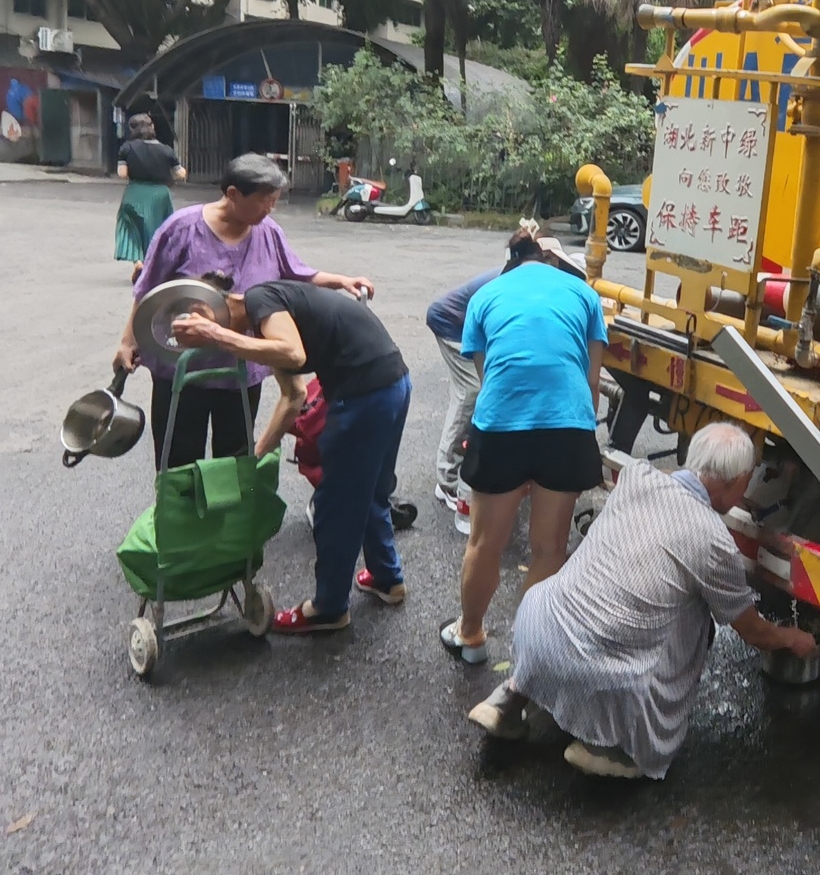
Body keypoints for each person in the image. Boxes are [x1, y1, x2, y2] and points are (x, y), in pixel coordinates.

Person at [470, 421, 818, 778]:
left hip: (536, 630)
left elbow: (678, 482)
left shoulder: (637, 476)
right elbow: (753, 630)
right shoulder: (713, 541)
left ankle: (510, 696)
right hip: (595, 667)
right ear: (735, 481)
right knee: (695, 620)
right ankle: (618, 747)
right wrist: (791, 638)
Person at [172, 279, 411, 634]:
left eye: (201, 326)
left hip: (364, 395)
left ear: (209, 308)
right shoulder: (268, 320)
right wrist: (254, 458)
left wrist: (216, 335)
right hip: (393, 383)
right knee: (373, 490)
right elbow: (293, 397)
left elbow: (294, 354)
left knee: (336, 505)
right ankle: (387, 578)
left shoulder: (260, 299)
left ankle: (329, 608)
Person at [115, 154, 373, 470]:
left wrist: (342, 280)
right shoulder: (182, 228)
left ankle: (229, 504)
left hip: (240, 371)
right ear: (234, 194)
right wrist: (128, 342)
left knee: (234, 460)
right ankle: (181, 504)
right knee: (178, 462)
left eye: (274, 201)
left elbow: (297, 272)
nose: (270, 209)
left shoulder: (268, 232)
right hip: (182, 369)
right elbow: (147, 289)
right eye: (265, 201)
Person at [439, 230, 609, 667]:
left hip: (502, 425)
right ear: (549, 260)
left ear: (511, 261)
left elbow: (487, 377)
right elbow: (591, 380)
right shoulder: (584, 295)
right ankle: (527, 653)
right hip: (567, 424)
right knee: (549, 548)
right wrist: (573, 433)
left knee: (484, 543)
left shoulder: (486, 295)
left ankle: (471, 635)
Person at [424, 222, 588, 534]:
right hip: (452, 324)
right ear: (547, 258)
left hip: (472, 327)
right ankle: (448, 481)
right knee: (473, 394)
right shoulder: (510, 280)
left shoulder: (531, 278)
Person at [113, 112, 186, 277]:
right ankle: (154, 264)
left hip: (135, 192)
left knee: (130, 226)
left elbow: (122, 173)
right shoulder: (166, 149)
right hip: (160, 194)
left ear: (132, 129)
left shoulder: (126, 148)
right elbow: (181, 173)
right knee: (158, 229)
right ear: (152, 127)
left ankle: (138, 261)